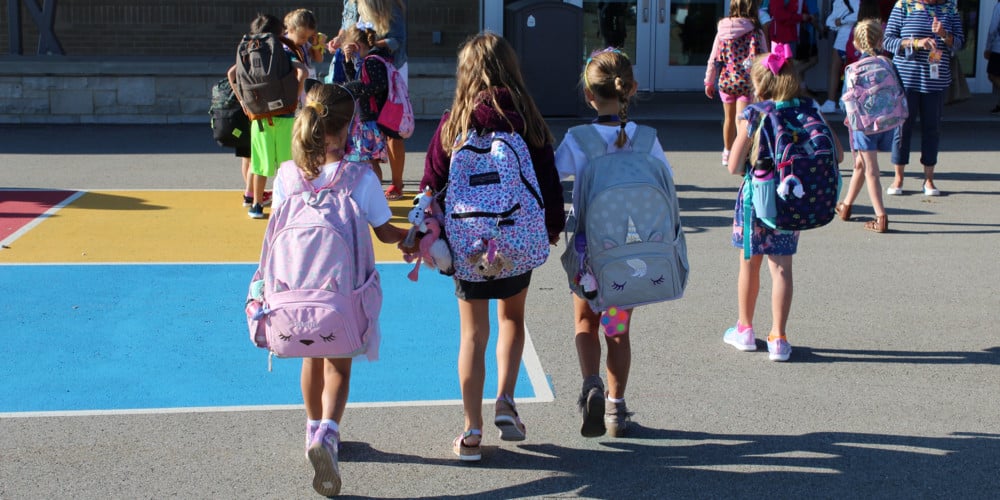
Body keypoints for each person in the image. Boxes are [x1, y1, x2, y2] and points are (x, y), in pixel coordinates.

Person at [420, 31, 564, 461]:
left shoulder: (452, 124)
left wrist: (430, 234)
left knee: (472, 334)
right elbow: (548, 186)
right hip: (516, 239)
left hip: (466, 247)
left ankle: (471, 430)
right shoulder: (527, 121)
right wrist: (550, 230)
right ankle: (505, 401)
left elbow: (432, 186)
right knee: (513, 319)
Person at [273, 83, 412, 496]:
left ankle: (311, 429)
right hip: (341, 291)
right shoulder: (359, 178)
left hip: (295, 291)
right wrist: (414, 238)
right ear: (349, 128)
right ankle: (329, 434)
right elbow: (385, 232)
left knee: (310, 357)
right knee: (339, 363)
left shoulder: (286, 175)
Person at [555, 48, 675, 438]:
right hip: (630, 254)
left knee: (584, 323)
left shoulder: (578, 139)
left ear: (589, 95)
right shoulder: (647, 139)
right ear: (632, 89)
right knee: (617, 330)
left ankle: (591, 383)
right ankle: (615, 410)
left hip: (591, 254)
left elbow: (552, 176)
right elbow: (666, 185)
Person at [724, 43, 844, 362]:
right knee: (782, 270)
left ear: (760, 84)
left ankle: (745, 330)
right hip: (792, 201)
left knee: (750, 264)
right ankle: (778, 337)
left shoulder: (755, 114)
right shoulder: (810, 110)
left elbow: (735, 165)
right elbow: (839, 155)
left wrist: (742, 134)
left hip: (755, 201)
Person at [227, 13, 309, 219]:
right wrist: (296, 95)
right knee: (287, 163)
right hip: (284, 114)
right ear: (278, 31)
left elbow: (231, 74)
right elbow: (302, 72)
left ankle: (256, 205)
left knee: (260, 163)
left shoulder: (249, 50)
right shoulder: (280, 49)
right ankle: (287, 203)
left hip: (259, 116)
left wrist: (244, 103)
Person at [882, 0, 964, 196]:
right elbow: (888, 40)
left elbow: (961, 43)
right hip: (905, 80)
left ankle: (929, 180)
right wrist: (915, 43)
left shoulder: (950, 8)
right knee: (902, 128)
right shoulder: (904, 5)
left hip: (935, 81)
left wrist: (945, 35)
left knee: (932, 129)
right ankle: (898, 178)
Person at [836, 19, 894, 233]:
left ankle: (881, 217)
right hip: (885, 122)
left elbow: (845, 103)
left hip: (862, 126)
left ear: (856, 44)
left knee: (871, 169)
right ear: (881, 40)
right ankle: (846, 206)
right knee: (861, 163)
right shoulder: (887, 63)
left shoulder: (853, 69)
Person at [705, 0, 766, 166]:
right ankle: (742, 155)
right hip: (747, 83)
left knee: (729, 119)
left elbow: (713, 58)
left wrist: (709, 82)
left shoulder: (722, 29)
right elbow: (764, 58)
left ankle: (727, 152)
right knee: (743, 121)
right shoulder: (755, 30)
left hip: (726, 80)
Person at [358, 0, 409, 201]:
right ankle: (374, 183)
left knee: (392, 130)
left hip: (391, 70)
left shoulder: (391, 9)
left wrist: (372, 45)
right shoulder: (360, 7)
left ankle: (397, 183)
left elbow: (397, 40)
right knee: (369, 126)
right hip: (370, 69)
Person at [339, 23, 392, 184]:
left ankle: (376, 194)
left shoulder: (371, 61)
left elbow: (379, 85)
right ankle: (371, 194)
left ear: (357, 45)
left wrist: (359, 88)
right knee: (364, 160)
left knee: (370, 160)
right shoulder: (364, 62)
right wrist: (347, 61)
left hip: (370, 119)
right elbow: (352, 82)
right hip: (364, 119)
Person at [821, 0, 861, 114]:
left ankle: (848, 100)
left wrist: (842, 20)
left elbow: (859, 14)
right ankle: (831, 101)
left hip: (854, 37)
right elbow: (830, 20)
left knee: (852, 71)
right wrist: (838, 22)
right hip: (842, 37)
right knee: (836, 68)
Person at [986, 0, 1000, 113]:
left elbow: (993, 29)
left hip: (998, 48)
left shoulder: (999, 6)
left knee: (992, 75)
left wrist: (988, 47)